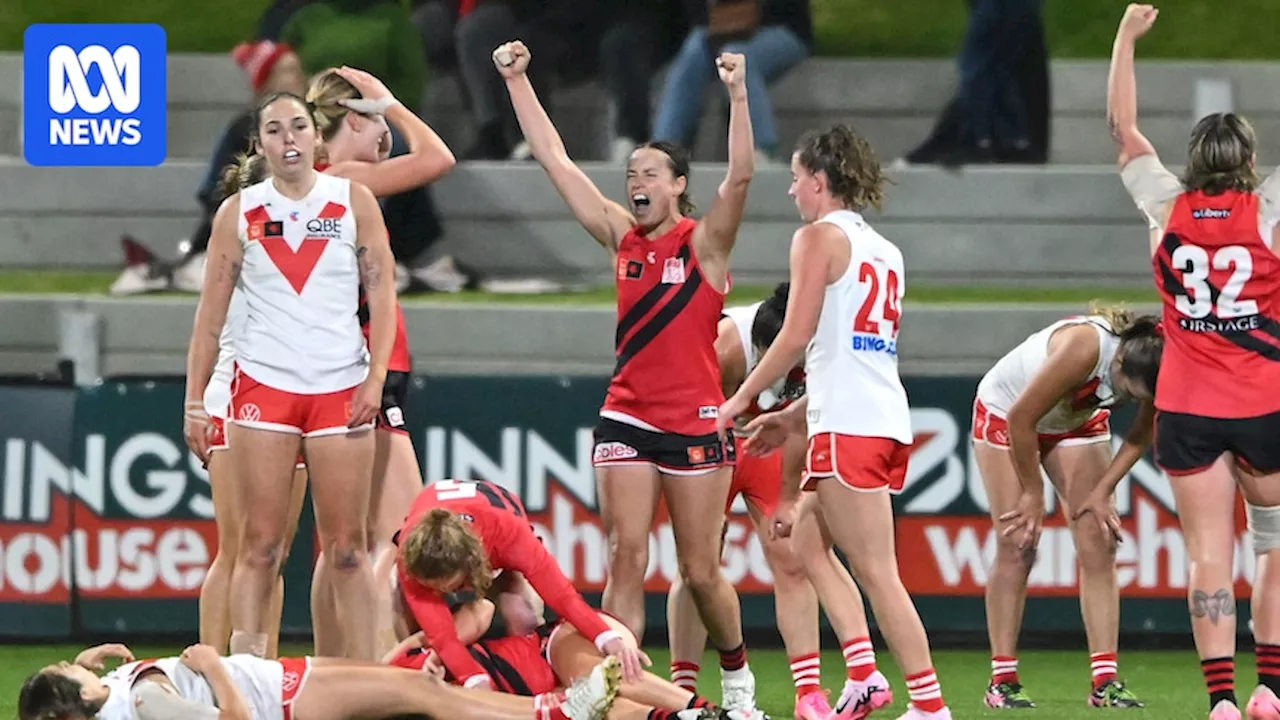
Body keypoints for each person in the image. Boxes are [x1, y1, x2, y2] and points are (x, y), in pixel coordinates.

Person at [495, 37, 761, 712]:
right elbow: (555, 162)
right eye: (631, 175)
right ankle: (628, 693)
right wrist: (518, 80)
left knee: (700, 571)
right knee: (624, 554)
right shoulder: (622, 238)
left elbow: (742, 178)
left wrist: (735, 95)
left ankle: (736, 679)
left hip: (699, 420)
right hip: (629, 416)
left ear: (677, 186)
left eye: (650, 174)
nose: (636, 184)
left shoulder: (703, 244)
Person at [717, 124, 951, 720]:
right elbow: (855, 353)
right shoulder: (885, 250)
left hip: (849, 426)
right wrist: (793, 416)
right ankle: (864, 679)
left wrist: (741, 398)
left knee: (877, 574)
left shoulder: (816, 239)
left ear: (818, 182)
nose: (793, 192)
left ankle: (927, 705)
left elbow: (796, 336)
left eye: (797, 179)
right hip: (876, 418)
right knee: (803, 538)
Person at [182, 89, 397, 662]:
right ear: (261, 145)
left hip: (340, 389)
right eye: (274, 130)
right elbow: (209, 319)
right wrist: (195, 403)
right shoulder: (238, 213)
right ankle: (250, 681)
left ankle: (363, 681)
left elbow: (382, 294)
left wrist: (374, 379)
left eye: (298, 126)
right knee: (259, 548)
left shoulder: (355, 201)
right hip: (264, 390)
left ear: (317, 137)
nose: (288, 139)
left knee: (348, 550)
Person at [1109, 5, 1280, 718]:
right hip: (1265, 400)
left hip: (1186, 405)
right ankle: (1271, 690)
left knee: (1210, 556)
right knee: (1272, 548)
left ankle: (1220, 701)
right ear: (1245, 158)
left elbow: (1121, 132)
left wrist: (1124, 39)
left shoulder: (1164, 204)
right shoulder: (1270, 208)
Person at [667, 282, 891, 720]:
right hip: (706, 436)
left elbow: (799, 418)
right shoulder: (727, 344)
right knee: (698, 565)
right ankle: (684, 689)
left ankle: (808, 693)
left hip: (765, 440)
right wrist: (708, 493)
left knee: (792, 555)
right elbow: (689, 416)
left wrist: (789, 496)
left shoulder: (824, 340)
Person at [302, 65, 456, 660]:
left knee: (346, 541)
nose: (384, 133)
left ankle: (332, 664)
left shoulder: (325, 181)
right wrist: (392, 103)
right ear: (353, 119)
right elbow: (438, 156)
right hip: (373, 366)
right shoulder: (341, 177)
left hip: (362, 365)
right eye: (373, 121)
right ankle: (371, 662)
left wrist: (379, 106)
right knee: (402, 533)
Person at [973, 305, 1161, 708]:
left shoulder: (1158, 365)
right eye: (1127, 391)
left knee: (1100, 537)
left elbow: (1142, 433)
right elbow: (1022, 418)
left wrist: (1101, 491)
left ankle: (1105, 681)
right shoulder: (1084, 348)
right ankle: (1002, 681)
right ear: (1121, 359)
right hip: (1006, 413)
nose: (1127, 399)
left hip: (1074, 421)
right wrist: (1031, 493)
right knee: (1018, 544)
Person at [395, 479, 646, 690]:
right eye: (434, 588)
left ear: (472, 566)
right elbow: (442, 635)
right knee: (402, 608)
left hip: (496, 526)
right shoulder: (411, 557)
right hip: (450, 537)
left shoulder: (510, 537)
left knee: (521, 615)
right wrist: (474, 680)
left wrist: (608, 639)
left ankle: (532, 687)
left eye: (449, 586)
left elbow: (563, 597)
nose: (444, 594)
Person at [18, 642, 621, 720]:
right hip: (279, 700)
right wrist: (211, 668)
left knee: (424, 690)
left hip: (284, 678)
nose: (80, 664)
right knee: (421, 694)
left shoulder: (107, 694)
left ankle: (551, 707)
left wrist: (94, 656)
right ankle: (558, 714)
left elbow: (80, 686)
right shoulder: (148, 701)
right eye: (71, 670)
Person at [387, 598, 729, 720]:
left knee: (603, 676)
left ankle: (723, 715)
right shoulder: (440, 709)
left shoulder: (405, 662)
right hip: (556, 700)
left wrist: (439, 649)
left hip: (551, 645)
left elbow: (482, 608)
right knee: (598, 705)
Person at [651, 0, 811, 162]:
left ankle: (762, 148)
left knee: (736, 55)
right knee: (693, 51)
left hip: (783, 29)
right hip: (721, 31)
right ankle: (663, 151)